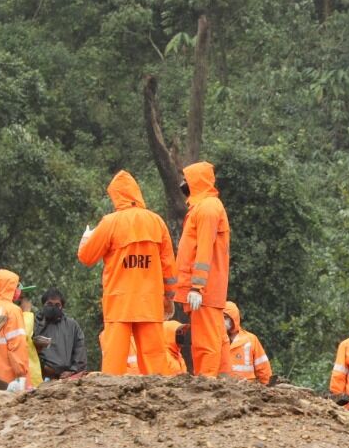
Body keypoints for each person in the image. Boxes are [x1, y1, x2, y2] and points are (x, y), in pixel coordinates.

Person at [78, 170, 176, 375]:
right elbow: (168, 266)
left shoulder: (110, 222)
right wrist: (169, 296)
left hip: (119, 303)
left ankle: (109, 403)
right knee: (155, 363)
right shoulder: (156, 221)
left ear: (116, 195)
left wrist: (86, 238)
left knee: (114, 364)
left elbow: (87, 257)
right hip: (150, 303)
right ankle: (159, 401)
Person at [173, 161, 230, 377]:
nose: (182, 184)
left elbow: (204, 250)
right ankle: (224, 382)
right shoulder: (204, 207)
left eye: (186, 180)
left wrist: (197, 287)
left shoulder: (207, 208)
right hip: (206, 290)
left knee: (206, 344)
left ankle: (208, 383)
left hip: (204, 291)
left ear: (196, 181)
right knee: (213, 339)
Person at [34, 288, 87, 379]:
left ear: (62, 306)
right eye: (49, 304)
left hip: (65, 377)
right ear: (43, 304)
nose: (53, 307)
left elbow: (80, 350)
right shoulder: (35, 323)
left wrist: (72, 371)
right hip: (39, 375)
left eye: (57, 305)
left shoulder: (72, 325)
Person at [224, 301, 271, 384]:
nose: (222, 321)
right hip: (221, 389)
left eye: (225, 317)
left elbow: (263, 367)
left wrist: (267, 385)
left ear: (233, 318)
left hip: (247, 389)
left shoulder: (251, 339)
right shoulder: (215, 340)